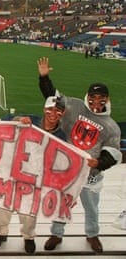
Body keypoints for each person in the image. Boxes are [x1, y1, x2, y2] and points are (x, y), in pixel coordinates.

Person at [37, 57, 122, 253]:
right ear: (88, 96)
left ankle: (92, 234)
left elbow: (114, 152)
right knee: (62, 204)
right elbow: (53, 98)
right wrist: (44, 77)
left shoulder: (111, 126)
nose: (96, 102)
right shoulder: (74, 106)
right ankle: (56, 233)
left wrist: (99, 162)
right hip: (68, 168)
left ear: (107, 100)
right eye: (93, 97)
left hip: (90, 175)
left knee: (91, 207)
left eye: (101, 99)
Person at [0, 96, 66, 254]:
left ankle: (28, 236)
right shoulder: (32, 120)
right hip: (13, 169)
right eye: (50, 109)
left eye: (57, 111)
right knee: (4, 204)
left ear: (62, 113)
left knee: (29, 210)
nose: (53, 113)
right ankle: (1, 232)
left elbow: (62, 161)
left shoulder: (61, 135)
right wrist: (18, 119)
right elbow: (6, 120)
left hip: (36, 176)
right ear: (44, 109)